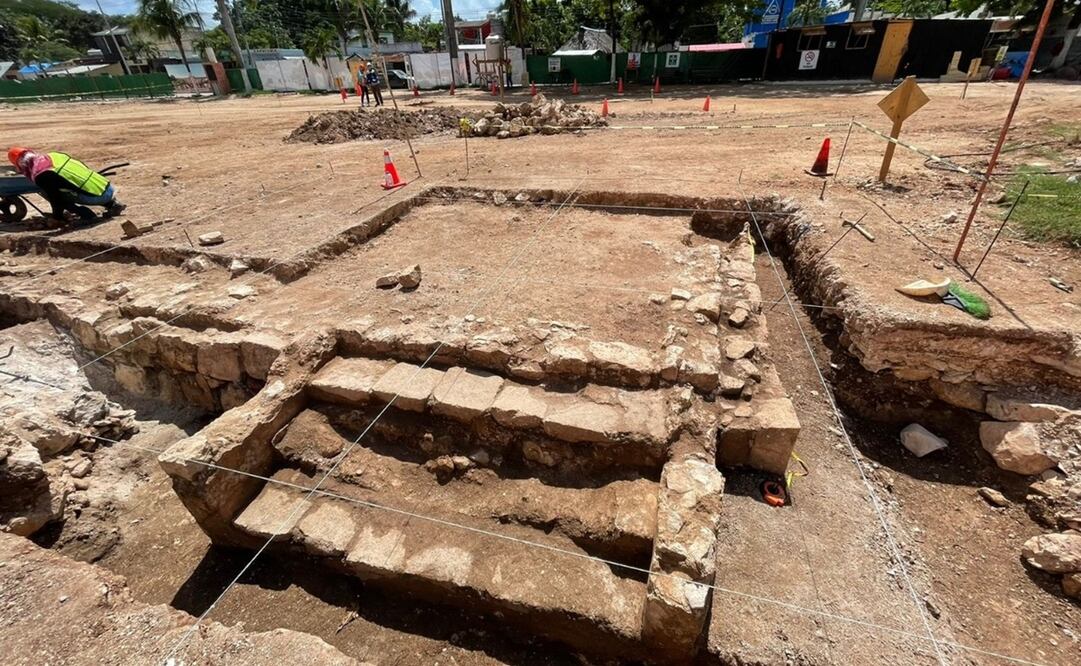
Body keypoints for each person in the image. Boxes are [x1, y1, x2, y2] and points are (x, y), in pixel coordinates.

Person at [8, 147, 125, 223]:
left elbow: (56, 199)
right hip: (106, 187)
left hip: (95, 196)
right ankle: (112, 204)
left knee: (49, 192)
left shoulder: (40, 174)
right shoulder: (54, 155)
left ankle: (86, 215)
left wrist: (57, 217)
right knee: (72, 186)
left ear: (20, 165)